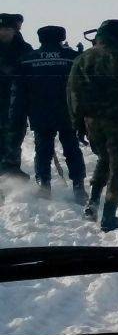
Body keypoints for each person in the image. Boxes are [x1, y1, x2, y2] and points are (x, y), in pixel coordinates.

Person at [67, 19, 118, 231]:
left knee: (104, 158)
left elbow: (73, 93)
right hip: (117, 120)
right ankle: (109, 216)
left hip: (91, 121)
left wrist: (77, 124)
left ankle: (93, 203)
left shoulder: (83, 58)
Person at [10, 25, 87, 202]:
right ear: (62, 37)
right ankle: (79, 187)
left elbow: (19, 92)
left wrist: (16, 116)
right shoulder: (72, 58)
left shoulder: (27, 60)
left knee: (43, 150)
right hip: (68, 113)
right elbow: (83, 88)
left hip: (40, 114)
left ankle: (44, 185)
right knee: (72, 149)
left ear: (40, 39)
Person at [0, 12, 34, 178]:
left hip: (18, 102)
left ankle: (12, 170)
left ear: (14, 30)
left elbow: (32, 75)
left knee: (15, 136)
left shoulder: (25, 49)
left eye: (7, 29)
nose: (3, 32)